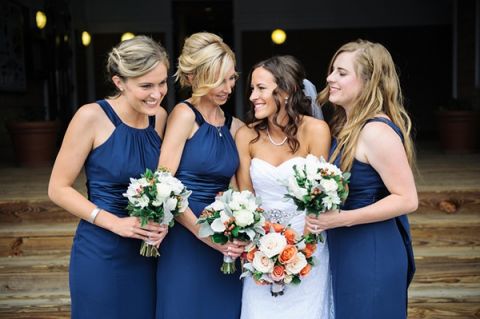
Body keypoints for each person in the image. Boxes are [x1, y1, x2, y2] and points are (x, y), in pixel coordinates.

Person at [48, 35, 170, 319]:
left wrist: (163, 221)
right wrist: (114, 223)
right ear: (119, 82)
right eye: (146, 86)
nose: (157, 93)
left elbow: (163, 183)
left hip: (148, 253)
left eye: (162, 83)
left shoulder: (160, 118)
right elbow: (57, 188)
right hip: (102, 252)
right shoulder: (91, 116)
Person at [307, 39, 418, 319]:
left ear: (368, 82)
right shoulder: (346, 127)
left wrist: (341, 218)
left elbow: (407, 199)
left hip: (372, 251)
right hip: (349, 250)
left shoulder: (376, 132)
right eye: (332, 70)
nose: (330, 78)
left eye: (342, 73)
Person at [236, 55, 334, 319]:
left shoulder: (316, 131)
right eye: (252, 89)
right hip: (260, 251)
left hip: (309, 245)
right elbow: (247, 200)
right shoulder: (246, 136)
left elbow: (319, 196)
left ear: (287, 91)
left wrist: (299, 252)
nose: (253, 96)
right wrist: (263, 252)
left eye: (261, 88)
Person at [155, 32, 245, 319]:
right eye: (219, 79)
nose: (228, 87)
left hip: (225, 239)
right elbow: (164, 184)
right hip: (186, 238)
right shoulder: (184, 115)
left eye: (231, 78)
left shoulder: (235, 127)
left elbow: (241, 187)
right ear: (198, 77)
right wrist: (204, 234)